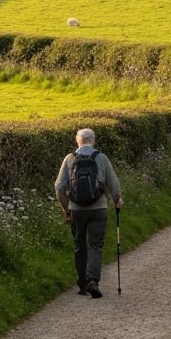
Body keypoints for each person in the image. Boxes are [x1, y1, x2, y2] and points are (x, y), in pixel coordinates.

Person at [54, 128, 123, 299]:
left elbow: (59, 187)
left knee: (79, 246)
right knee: (96, 245)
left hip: (76, 210)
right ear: (93, 141)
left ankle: (82, 284)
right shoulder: (101, 158)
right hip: (98, 208)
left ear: (78, 141)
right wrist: (117, 199)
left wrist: (66, 208)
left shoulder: (70, 159)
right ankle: (93, 280)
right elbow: (112, 182)